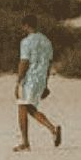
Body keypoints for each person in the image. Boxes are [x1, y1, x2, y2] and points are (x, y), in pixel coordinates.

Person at [14, 17, 62, 151]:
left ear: (26, 25)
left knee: (22, 107)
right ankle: (53, 130)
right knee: (29, 108)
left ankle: (25, 143)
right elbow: (48, 64)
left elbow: (24, 62)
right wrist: (46, 84)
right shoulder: (47, 41)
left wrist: (18, 81)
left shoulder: (26, 42)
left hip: (29, 79)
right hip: (41, 79)